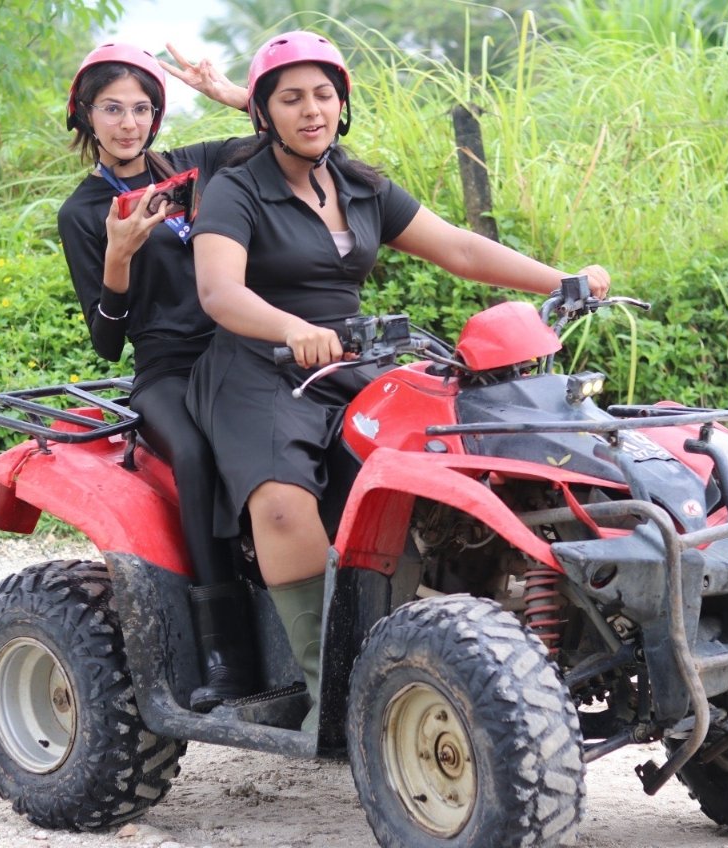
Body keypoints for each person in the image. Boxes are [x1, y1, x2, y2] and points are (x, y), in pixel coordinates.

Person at [186, 31, 611, 732]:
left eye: (323, 95)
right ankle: (329, 690)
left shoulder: (360, 185)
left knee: (455, 450)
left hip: (354, 359)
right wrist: (292, 328)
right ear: (262, 112)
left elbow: (459, 248)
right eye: (291, 98)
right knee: (284, 503)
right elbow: (219, 292)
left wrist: (560, 279)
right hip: (258, 365)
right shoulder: (236, 189)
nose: (311, 110)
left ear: (342, 104)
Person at [57, 41, 257, 712]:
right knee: (195, 456)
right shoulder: (84, 212)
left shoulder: (194, 169)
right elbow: (107, 342)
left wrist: (235, 95)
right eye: (112, 109)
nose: (128, 123)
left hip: (239, 345)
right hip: (167, 366)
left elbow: (291, 138)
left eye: (141, 108)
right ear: (85, 115)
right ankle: (226, 652)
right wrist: (118, 258)